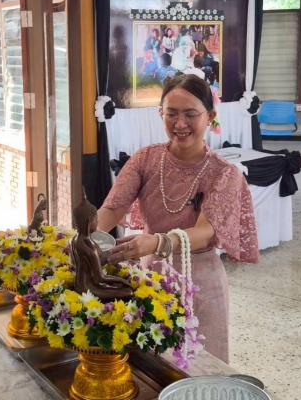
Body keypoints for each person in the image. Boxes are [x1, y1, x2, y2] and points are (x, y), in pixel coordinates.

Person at [97, 75, 259, 363]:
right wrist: (84, 237)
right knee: (150, 368)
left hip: (200, 287)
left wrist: (156, 242)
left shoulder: (224, 173)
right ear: (161, 113)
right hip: (149, 282)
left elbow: (205, 233)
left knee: (200, 370)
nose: (180, 124)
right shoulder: (145, 159)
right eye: (171, 113)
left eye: (190, 114)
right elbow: (113, 209)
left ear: (210, 116)